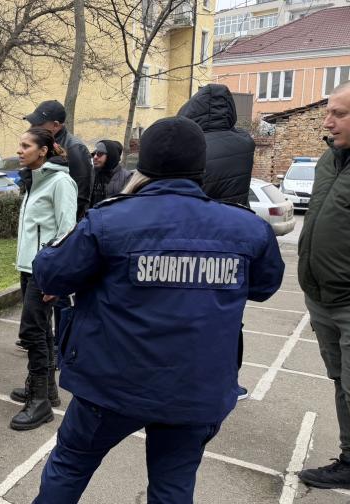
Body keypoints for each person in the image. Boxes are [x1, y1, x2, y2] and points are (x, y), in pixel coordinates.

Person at [30, 116, 284, 503]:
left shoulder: (109, 219)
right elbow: (265, 287)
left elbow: (51, 273)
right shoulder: (245, 228)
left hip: (110, 386)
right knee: (173, 487)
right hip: (195, 390)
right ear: (201, 167)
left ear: (142, 165)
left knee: (71, 465)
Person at [179, 84, 257, 400]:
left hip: (197, 236)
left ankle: (190, 380)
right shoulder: (245, 142)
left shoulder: (194, 146)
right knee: (230, 317)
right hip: (236, 239)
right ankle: (230, 383)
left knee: (190, 316)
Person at [297, 81, 350, 490]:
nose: (328, 122)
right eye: (328, 112)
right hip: (321, 298)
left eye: (339, 114)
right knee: (341, 383)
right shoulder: (325, 162)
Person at [9, 128, 76, 431]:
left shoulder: (60, 182)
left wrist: (57, 278)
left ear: (43, 150)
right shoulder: (35, 180)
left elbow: (67, 232)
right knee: (41, 330)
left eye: (26, 146)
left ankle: (39, 403)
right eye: (20, 145)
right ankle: (46, 388)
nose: (20, 150)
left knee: (32, 331)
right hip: (29, 267)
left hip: (44, 271)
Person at [178, 84, 255, 207]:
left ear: (193, 108)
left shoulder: (188, 145)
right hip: (238, 216)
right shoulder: (245, 143)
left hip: (199, 217)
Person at [24, 100, 92, 220]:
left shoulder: (75, 149)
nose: (31, 129)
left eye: (37, 124)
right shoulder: (42, 145)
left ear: (55, 125)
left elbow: (80, 197)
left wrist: (57, 227)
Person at [88, 140, 131, 206]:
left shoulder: (126, 177)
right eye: (94, 154)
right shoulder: (91, 173)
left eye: (99, 154)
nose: (95, 157)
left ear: (111, 155)